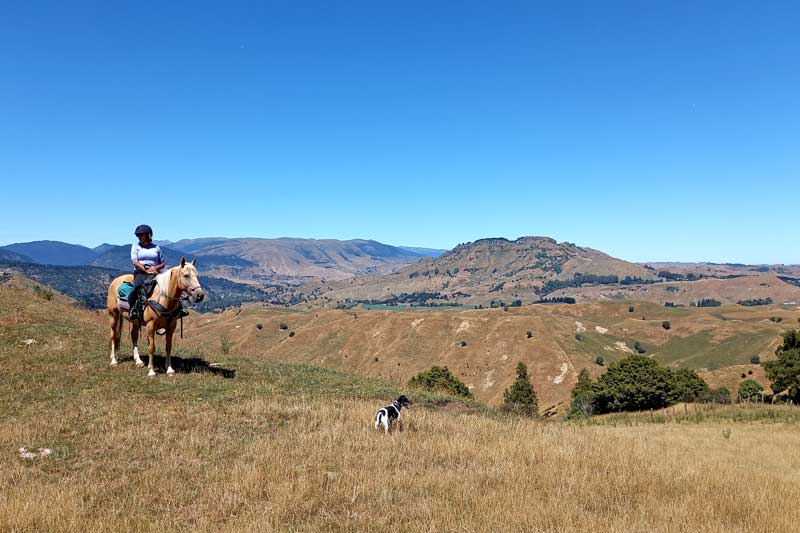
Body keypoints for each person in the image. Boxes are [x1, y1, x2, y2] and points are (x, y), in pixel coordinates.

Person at [128, 224, 165, 319]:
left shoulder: (156, 248)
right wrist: (145, 270)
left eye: (141, 235)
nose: (139, 237)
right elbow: (135, 262)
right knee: (137, 287)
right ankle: (132, 309)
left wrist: (155, 268)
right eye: (137, 235)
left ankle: (177, 309)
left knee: (168, 286)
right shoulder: (135, 247)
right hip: (140, 272)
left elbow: (162, 264)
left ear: (148, 235)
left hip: (155, 272)